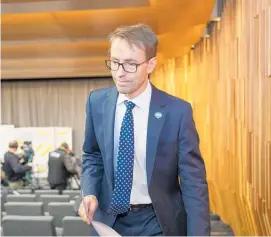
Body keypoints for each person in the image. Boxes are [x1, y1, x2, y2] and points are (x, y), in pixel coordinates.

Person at [79, 24, 210, 236]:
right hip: (109, 221)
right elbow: (93, 155)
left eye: (130, 64)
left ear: (150, 65)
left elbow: (193, 183)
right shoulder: (96, 102)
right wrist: (90, 193)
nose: (120, 73)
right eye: (114, 63)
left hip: (157, 221)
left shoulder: (177, 112)